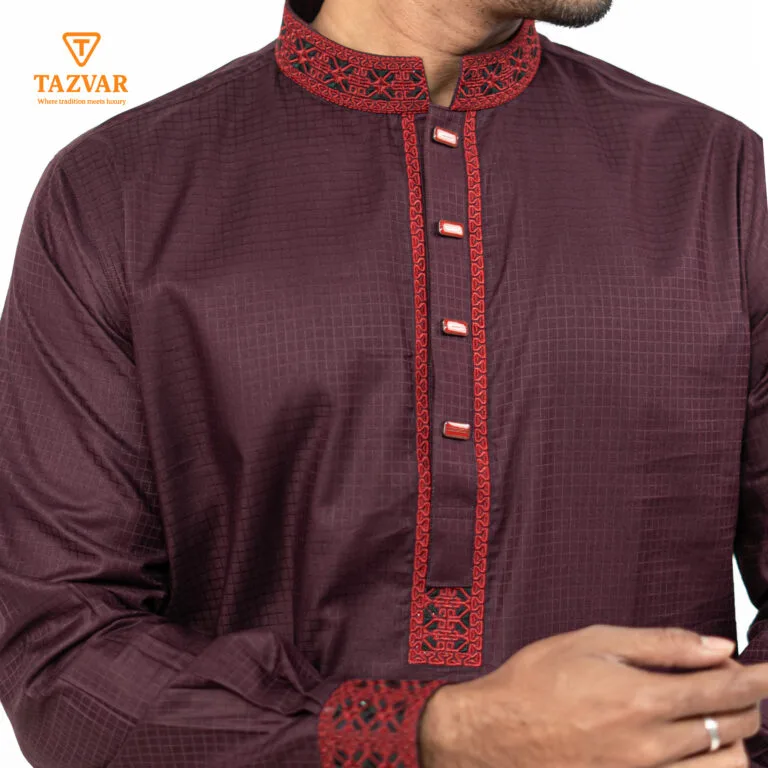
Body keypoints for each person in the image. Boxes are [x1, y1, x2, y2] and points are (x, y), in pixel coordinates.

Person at [1, 0, 767, 765]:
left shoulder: (714, 178)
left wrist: (722, 733)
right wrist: (439, 734)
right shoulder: (118, 196)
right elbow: (60, 649)